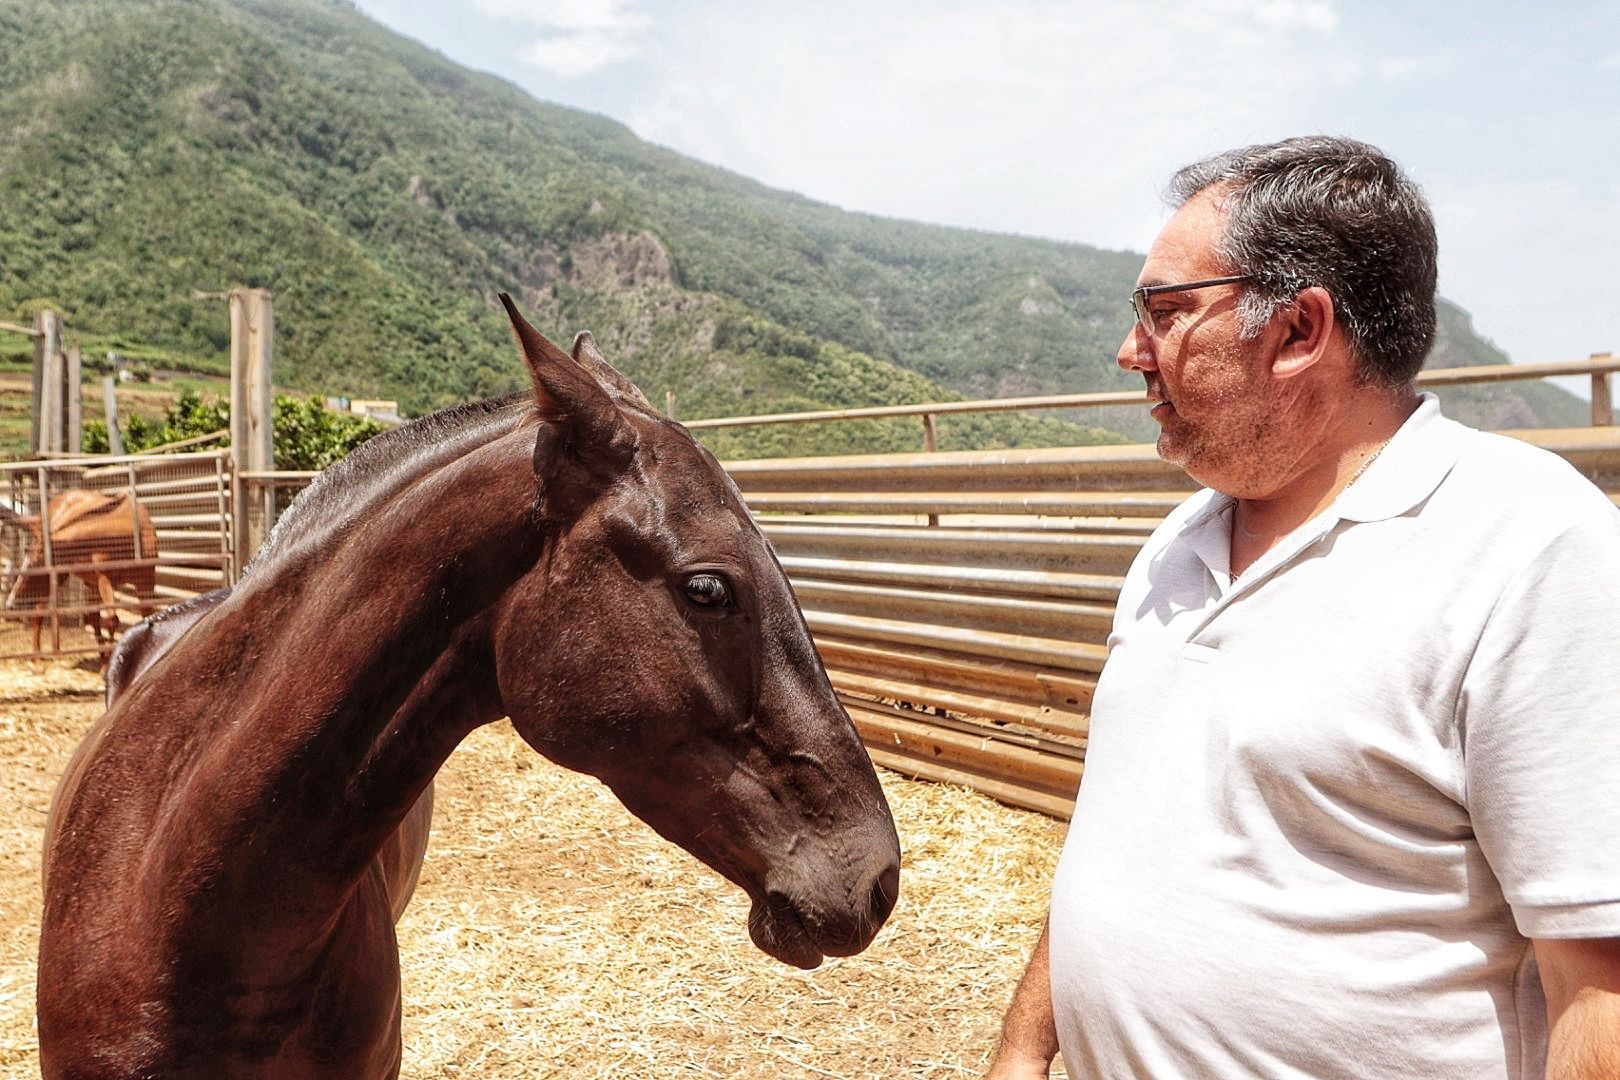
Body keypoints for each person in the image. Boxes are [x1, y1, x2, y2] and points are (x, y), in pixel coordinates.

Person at [986, 135, 1620, 1079]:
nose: (1130, 352)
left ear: (1298, 331)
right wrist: (1022, 1050)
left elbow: (1600, 984)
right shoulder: (1176, 545)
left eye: (1163, 312)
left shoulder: (1528, 542)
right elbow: (1122, 836)